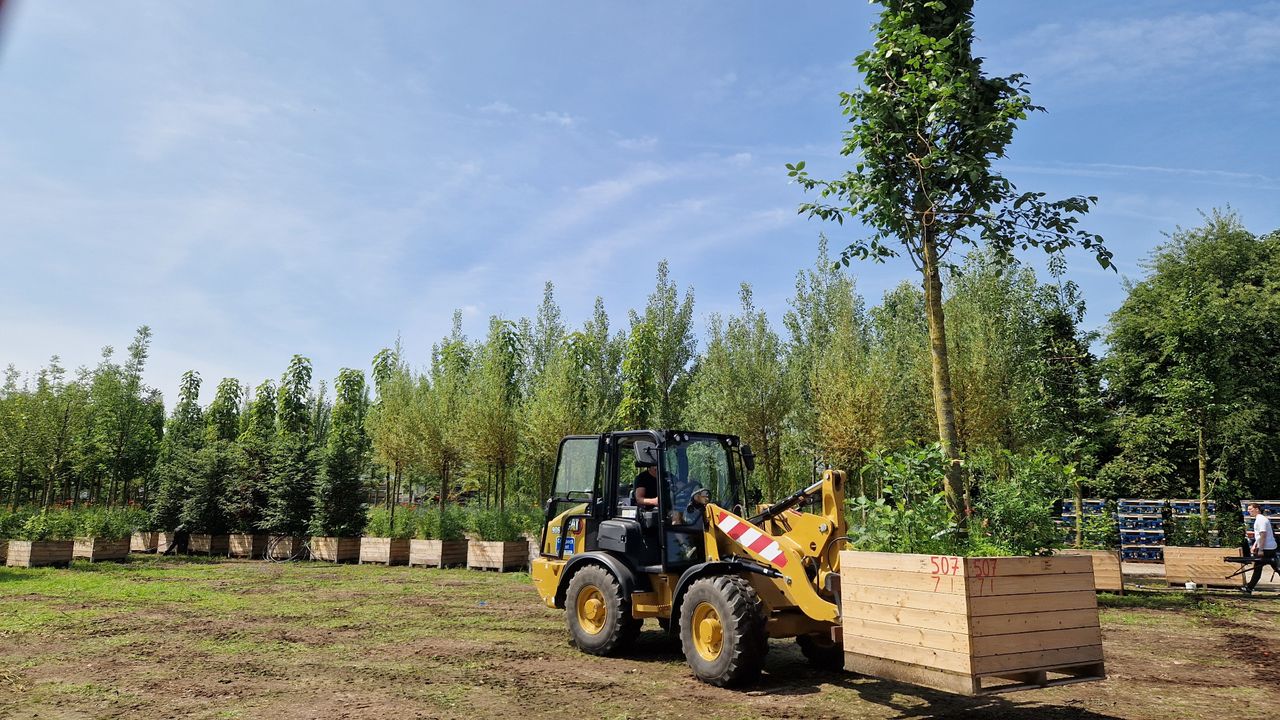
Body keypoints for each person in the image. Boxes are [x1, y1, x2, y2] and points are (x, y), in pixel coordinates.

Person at [1241, 503, 1278, 594]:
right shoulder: (1260, 519)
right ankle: (1249, 587)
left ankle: (1249, 588)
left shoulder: (1261, 520)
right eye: (1248, 509)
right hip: (1269, 547)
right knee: (1276, 567)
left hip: (1266, 548)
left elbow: (1263, 535)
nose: (1248, 511)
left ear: (1257, 509)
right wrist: (1254, 546)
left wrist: (1260, 549)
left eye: (1250, 509)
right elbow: (1259, 536)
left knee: (1258, 568)